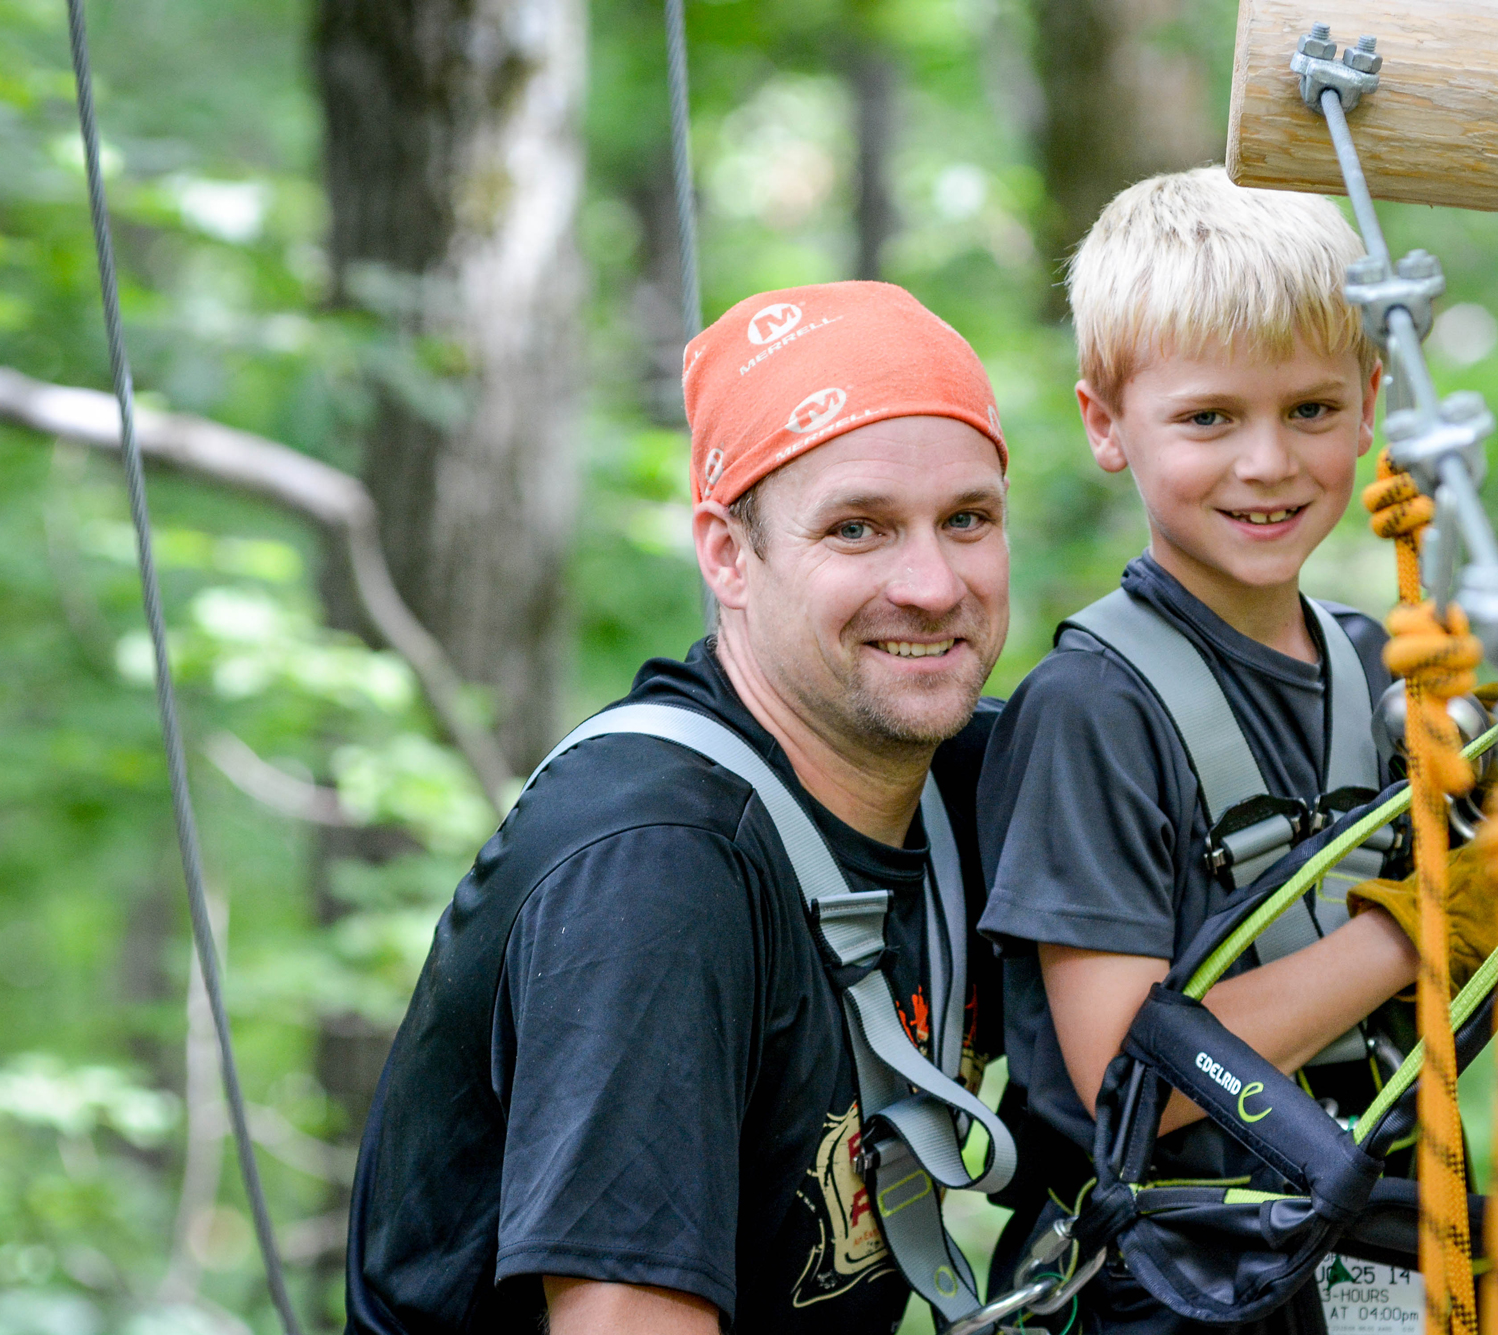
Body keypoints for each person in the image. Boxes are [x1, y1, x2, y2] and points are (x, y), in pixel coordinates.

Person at [345, 280, 1015, 1334]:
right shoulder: (657, 870)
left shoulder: (974, 782)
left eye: (966, 519)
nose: (931, 584)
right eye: (858, 529)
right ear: (725, 555)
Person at [975, 169, 1498, 1333]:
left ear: (1369, 405)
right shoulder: (1090, 712)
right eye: (1208, 418)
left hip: (1375, 1253)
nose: (1266, 462)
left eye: (1310, 410)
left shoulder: (1392, 672)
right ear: (1106, 425)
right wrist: (1413, 928)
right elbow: (1127, 1081)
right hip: (1169, 1285)